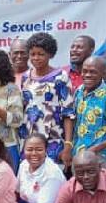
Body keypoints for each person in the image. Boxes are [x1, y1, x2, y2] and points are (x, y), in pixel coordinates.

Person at [19, 32, 75, 166]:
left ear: (50, 54)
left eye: (41, 54)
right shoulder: (26, 77)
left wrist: (68, 144)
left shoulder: (61, 77)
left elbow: (68, 113)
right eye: (32, 54)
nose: (36, 58)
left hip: (53, 138)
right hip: (28, 137)